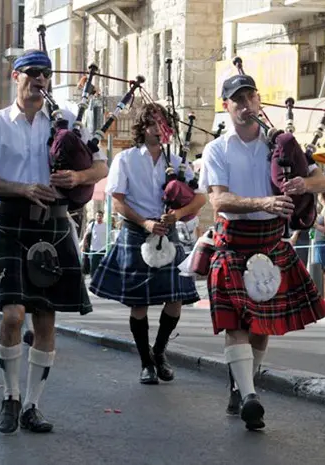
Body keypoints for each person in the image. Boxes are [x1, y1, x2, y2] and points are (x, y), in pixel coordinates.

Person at [0, 49, 108, 434]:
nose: (40, 80)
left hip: (56, 222)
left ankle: (32, 405)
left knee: (46, 319)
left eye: (45, 73)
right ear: (16, 77)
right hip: (12, 222)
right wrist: (22, 188)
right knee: (13, 315)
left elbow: (101, 165)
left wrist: (78, 180)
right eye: (32, 73)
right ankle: (10, 396)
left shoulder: (66, 122)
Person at [200, 71, 325, 430]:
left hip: (272, 242)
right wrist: (264, 202)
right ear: (226, 106)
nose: (244, 105)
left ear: (259, 101)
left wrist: (306, 182)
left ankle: (244, 386)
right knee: (235, 322)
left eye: (249, 97)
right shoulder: (217, 149)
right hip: (234, 241)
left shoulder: (281, 145)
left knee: (262, 326)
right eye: (236, 99)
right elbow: (218, 199)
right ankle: (249, 396)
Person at [89, 103, 205, 383]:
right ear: (143, 128)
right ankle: (146, 363)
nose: (158, 129)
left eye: (163, 123)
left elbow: (200, 198)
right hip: (137, 231)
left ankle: (159, 351)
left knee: (175, 299)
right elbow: (117, 201)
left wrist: (175, 215)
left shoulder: (177, 162)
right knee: (138, 303)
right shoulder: (126, 159)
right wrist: (145, 222)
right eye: (153, 123)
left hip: (168, 231)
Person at [81, 210, 107, 276]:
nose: (99, 217)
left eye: (100, 216)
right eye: (97, 216)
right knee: (93, 268)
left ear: (102, 217)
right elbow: (86, 234)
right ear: (95, 216)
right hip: (94, 250)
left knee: (102, 268)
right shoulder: (92, 225)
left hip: (103, 250)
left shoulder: (105, 225)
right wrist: (84, 244)